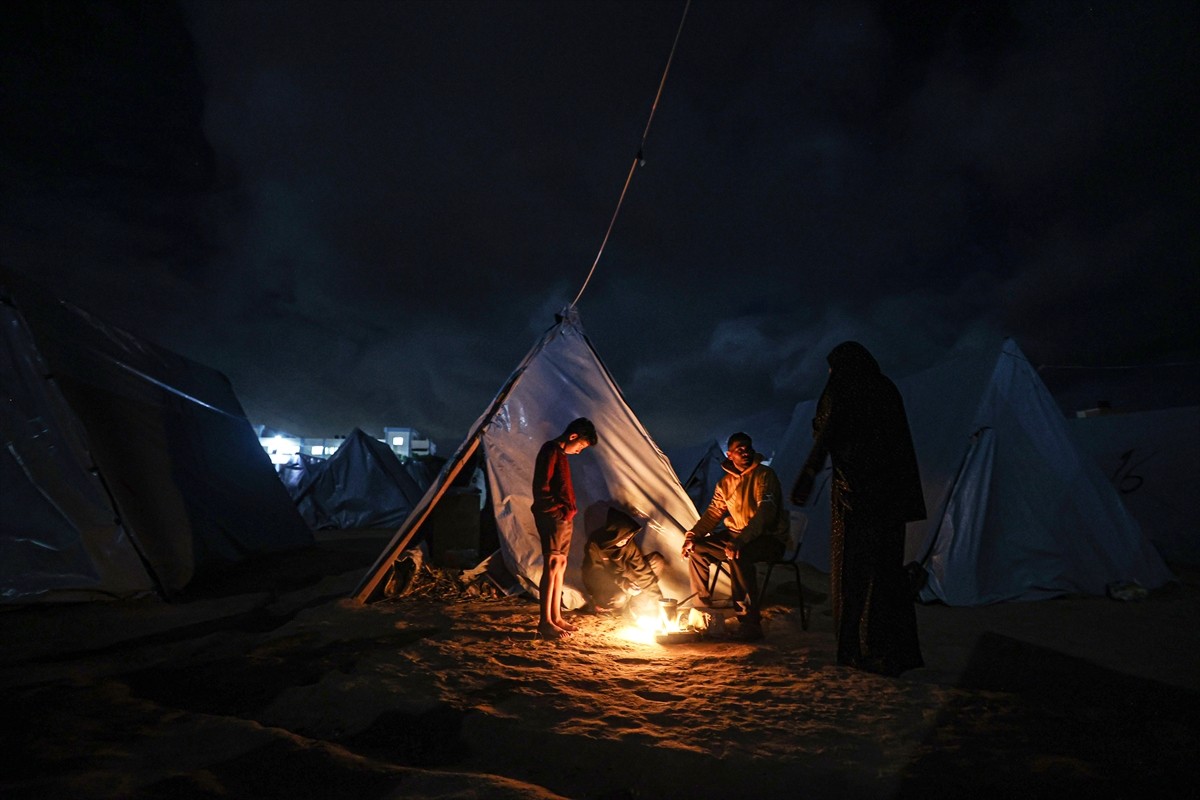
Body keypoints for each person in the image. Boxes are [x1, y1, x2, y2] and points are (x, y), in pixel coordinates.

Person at [791, 341, 925, 676]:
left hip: (857, 497)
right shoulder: (886, 388)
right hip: (891, 500)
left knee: (855, 575)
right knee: (887, 573)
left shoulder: (845, 388)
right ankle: (894, 651)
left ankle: (858, 649)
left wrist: (808, 474)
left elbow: (826, 431)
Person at [681, 432, 789, 640]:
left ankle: (749, 622)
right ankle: (703, 610)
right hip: (737, 535)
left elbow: (765, 514)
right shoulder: (725, 483)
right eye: (740, 450)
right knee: (698, 550)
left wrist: (739, 541)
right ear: (730, 455)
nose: (745, 452)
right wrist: (693, 535)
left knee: (738, 554)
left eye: (748, 448)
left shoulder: (765, 475)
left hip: (768, 538)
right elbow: (713, 513)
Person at [531, 417, 598, 640]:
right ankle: (545, 622)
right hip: (553, 516)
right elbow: (542, 487)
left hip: (564, 516)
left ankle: (556, 616)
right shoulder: (550, 450)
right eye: (580, 446)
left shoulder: (560, 454)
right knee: (552, 564)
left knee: (560, 563)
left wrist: (567, 512)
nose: (579, 451)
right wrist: (556, 510)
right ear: (572, 436)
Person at [581, 506, 665, 617]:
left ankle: (636, 604)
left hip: (624, 576)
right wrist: (622, 582)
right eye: (623, 538)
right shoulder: (595, 544)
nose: (626, 542)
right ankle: (610, 607)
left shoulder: (628, 545)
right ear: (615, 534)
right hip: (606, 584)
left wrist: (659, 600)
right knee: (618, 597)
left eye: (628, 538)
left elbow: (641, 569)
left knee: (656, 562)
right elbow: (596, 575)